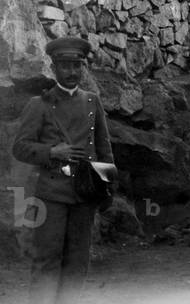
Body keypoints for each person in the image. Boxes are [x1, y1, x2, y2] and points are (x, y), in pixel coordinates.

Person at [13, 37, 115, 304]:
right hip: (52, 194)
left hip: (85, 193)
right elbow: (20, 147)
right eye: (65, 66)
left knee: (78, 260)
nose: (72, 72)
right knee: (47, 258)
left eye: (77, 66)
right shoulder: (40, 104)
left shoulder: (92, 102)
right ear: (54, 68)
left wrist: (107, 189)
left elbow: (104, 150)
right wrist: (51, 152)